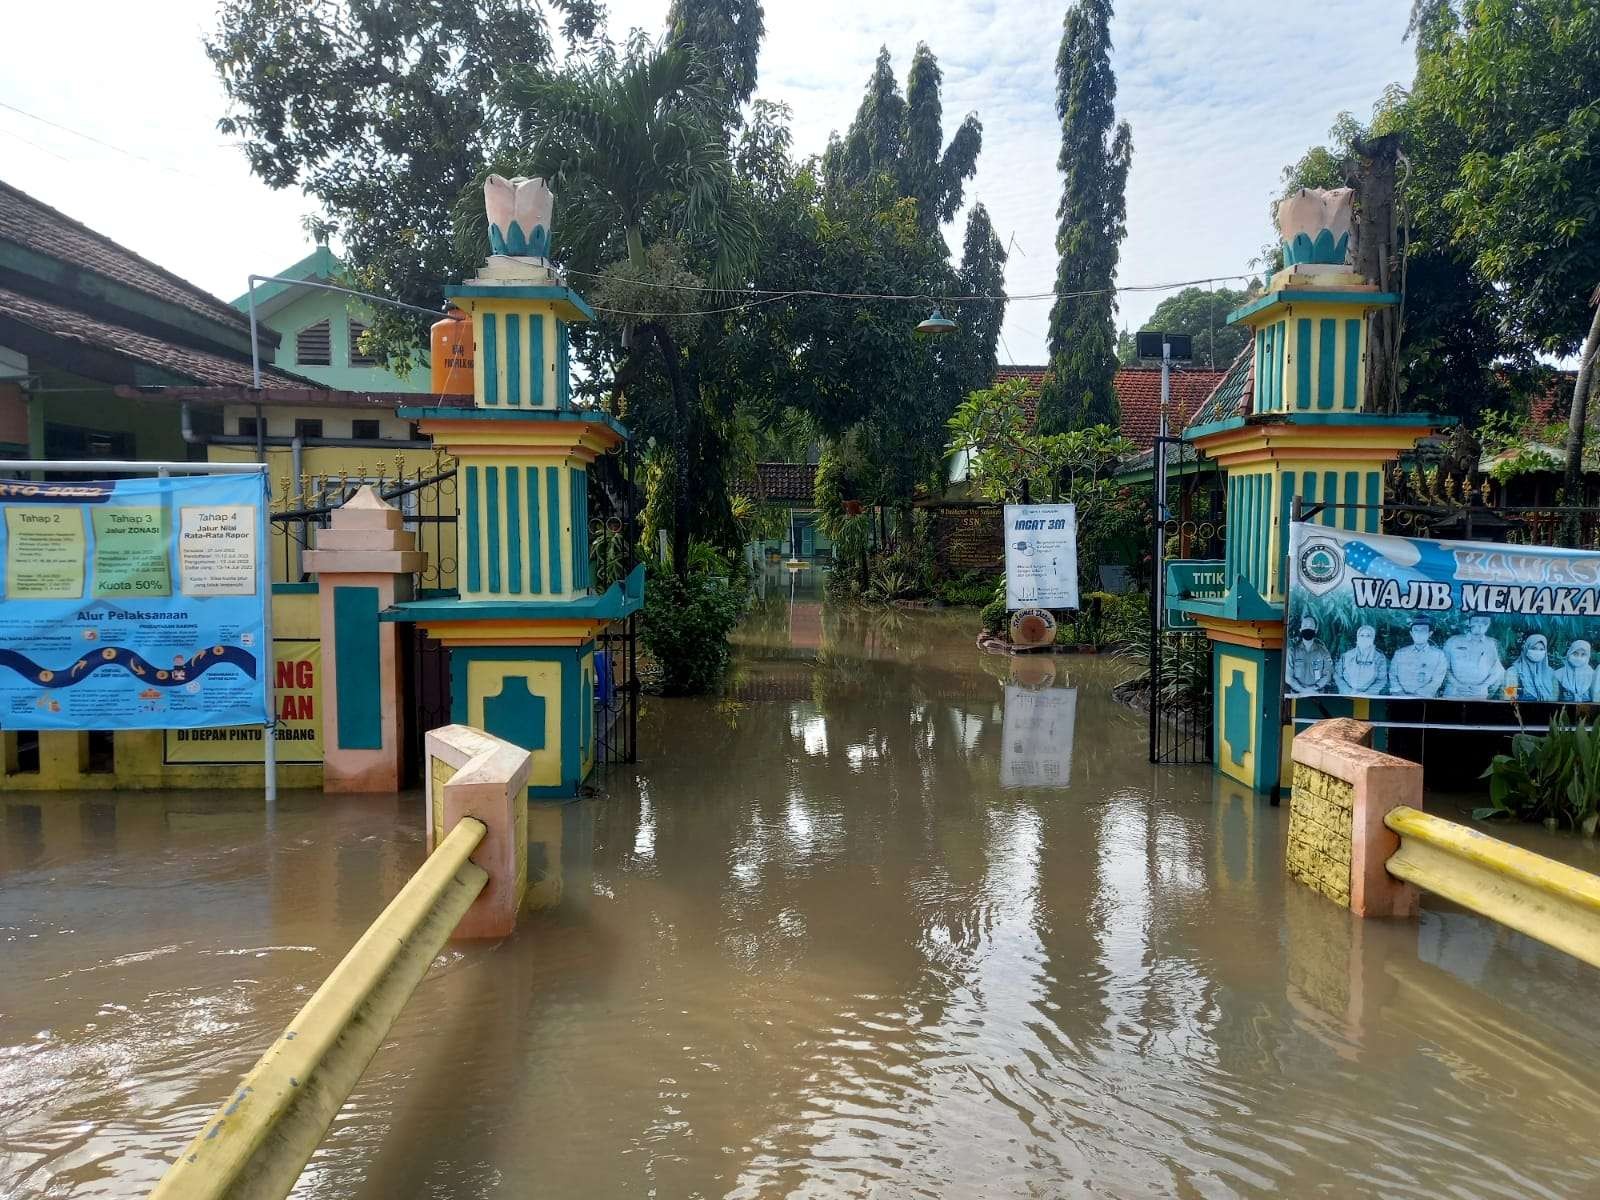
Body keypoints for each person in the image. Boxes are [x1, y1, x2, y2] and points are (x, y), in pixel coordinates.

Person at [1442, 614, 1503, 699]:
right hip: (1454, 691)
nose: (1480, 624)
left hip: (1479, 693)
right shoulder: (1453, 641)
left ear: (1489, 624)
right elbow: (1443, 667)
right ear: (1469, 622)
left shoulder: (1492, 644)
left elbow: (1497, 671)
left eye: (1484, 622)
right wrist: (1457, 685)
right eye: (1476, 621)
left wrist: (1483, 686)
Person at [1389, 616, 1448, 697]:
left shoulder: (1438, 655)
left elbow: (1437, 681)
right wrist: (1400, 693)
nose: (1419, 634)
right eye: (1416, 630)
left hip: (1426, 698)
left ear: (1430, 633)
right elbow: (1392, 675)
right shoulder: (1400, 653)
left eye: (1423, 630)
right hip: (1400, 697)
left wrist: (1417, 695)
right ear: (1411, 633)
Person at [1286, 613, 1333, 694]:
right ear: (1300, 629)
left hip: (1318, 693)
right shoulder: (1292, 651)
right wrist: (1302, 690)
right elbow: (1288, 677)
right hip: (1296, 694)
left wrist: (1315, 688)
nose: (1307, 628)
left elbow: (1328, 675)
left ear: (1316, 630)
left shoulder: (1323, 651)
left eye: (1310, 626)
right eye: (1305, 626)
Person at [1335, 624, 1388, 695]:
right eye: (1362, 635)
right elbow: (1338, 676)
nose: (1364, 638)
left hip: (1369, 697)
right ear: (1357, 637)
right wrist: (1348, 691)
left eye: (1368, 636)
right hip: (1347, 695)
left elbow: (1381, 680)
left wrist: (1367, 693)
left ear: (1373, 638)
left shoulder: (1379, 658)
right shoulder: (1347, 655)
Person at [1503, 633, 1557, 701]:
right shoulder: (1512, 672)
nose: (1538, 652)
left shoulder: (1550, 673)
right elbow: (1509, 698)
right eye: (1534, 648)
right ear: (1526, 649)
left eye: (1541, 649)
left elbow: (1555, 699)